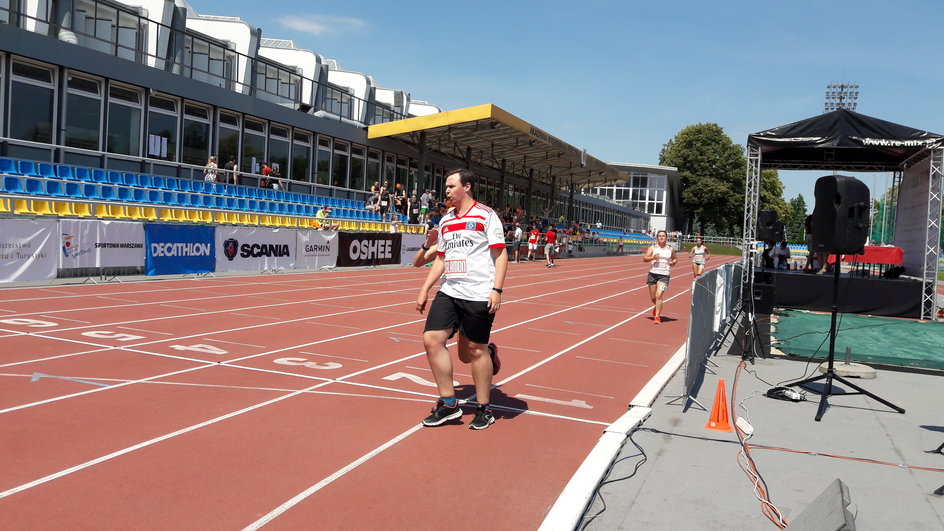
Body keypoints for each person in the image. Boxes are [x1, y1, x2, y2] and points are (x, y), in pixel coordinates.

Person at [415, 169, 508, 430]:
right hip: (449, 291)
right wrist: (425, 289)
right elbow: (441, 259)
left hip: (479, 293)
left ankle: (484, 408)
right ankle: (449, 405)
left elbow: (500, 255)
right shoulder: (445, 220)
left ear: (466, 187)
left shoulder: (486, 216)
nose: (446, 190)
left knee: (471, 353)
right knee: (431, 339)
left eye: (451, 186)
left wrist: (496, 290)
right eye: (445, 186)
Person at [643, 230, 677, 324]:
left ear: (666, 238)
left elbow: (675, 259)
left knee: (659, 295)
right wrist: (653, 257)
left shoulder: (670, 249)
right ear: (657, 237)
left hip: (664, 275)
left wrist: (673, 262)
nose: (661, 237)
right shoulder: (652, 248)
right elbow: (645, 259)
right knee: (653, 297)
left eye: (663, 236)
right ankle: (657, 306)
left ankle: (657, 316)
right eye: (659, 236)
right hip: (653, 274)